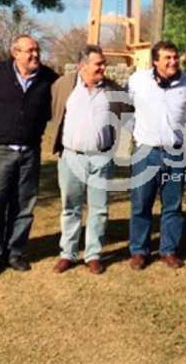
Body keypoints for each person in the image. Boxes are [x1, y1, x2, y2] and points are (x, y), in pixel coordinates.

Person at [0, 35, 59, 276]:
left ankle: (16, 252)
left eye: (37, 50)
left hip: (30, 151)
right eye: (29, 51)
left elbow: (52, 108)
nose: (35, 55)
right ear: (15, 53)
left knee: (24, 206)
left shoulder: (48, 78)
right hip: (1, 150)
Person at [51, 45, 129, 275]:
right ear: (83, 66)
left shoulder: (113, 89)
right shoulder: (63, 86)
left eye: (104, 63)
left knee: (99, 209)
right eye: (99, 64)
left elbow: (127, 115)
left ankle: (93, 255)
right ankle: (68, 253)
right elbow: (53, 111)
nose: (103, 67)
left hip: (101, 158)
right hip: (71, 157)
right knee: (70, 208)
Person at [127, 41, 186, 270]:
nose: (173, 62)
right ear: (155, 61)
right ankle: (139, 251)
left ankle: (169, 250)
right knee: (141, 204)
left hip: (175, 153)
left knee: (173, 205)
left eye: (175, 57)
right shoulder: (137, 80)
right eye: (167, 58)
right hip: (146, 152)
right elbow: (126, 108)